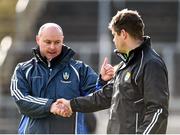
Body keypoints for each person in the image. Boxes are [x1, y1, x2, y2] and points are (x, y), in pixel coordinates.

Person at [58, 9, 170, 134]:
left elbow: (158, 111)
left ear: (123, 34)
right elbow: (103, 97)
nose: (113, 40)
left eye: (114, 35)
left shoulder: (151, 64)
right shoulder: (125, 65)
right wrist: (71, 104)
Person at [10, 23, 114, 134]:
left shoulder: (79, 69)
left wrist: (103, 80)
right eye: (48, 42)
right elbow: (21, 99)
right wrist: (50, 106)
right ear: (38, 39)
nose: (52, 47)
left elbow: (98, 97)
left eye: (57, 42)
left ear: (62, 40)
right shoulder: (23, 69)